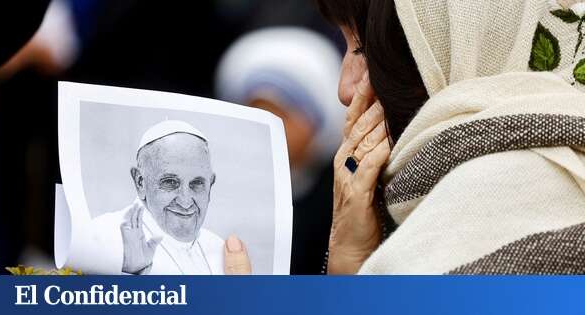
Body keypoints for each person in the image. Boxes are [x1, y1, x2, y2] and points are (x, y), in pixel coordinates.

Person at [225, 0, 585, 275]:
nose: (345, 88)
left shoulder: (496, 218)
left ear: (454, 40)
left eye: (363, 49)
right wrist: (348, 264)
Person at [216, 27, 344, 274]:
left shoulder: (340, 202)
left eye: (282, 115)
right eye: (256, 113)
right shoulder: (224, 194)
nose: (269, 127)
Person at [92, 120, 225, 275]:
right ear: (140, 182)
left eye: (197, 183)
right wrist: (130, 274)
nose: (185, 201)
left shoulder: (220, 248)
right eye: (170, 182)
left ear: (211, 184)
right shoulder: (100, 236)